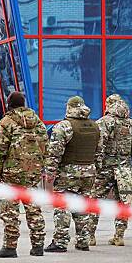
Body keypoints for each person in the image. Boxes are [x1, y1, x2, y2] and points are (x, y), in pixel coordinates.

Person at [0, 92, 48, 258]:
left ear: (9, 105)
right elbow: (46, 146)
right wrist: (39, 166)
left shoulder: (6, 122)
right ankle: (38, 246)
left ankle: (10, 246)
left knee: (10, 212)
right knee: (34, 209)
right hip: (33, 174)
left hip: (11, 174)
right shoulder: (38, 123)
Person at [44, 96, 101, 253]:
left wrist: (50, 172)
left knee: (62, 206)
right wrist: (96, 169)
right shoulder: (95, 126)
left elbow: (55, 153)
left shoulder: (63, 127)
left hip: (68, 174)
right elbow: (99, 152)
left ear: (69, 108)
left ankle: (60, 242)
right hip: (89, 173)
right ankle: (83, 241)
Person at [89, 95, 132, 247]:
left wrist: (97, 164)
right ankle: (119, 236)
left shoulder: (104, 122)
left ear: (108, 105)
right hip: (125, 167)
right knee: (123, 202)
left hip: (105, 167)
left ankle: (90, 236)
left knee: (94, 200)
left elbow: (98, 145)